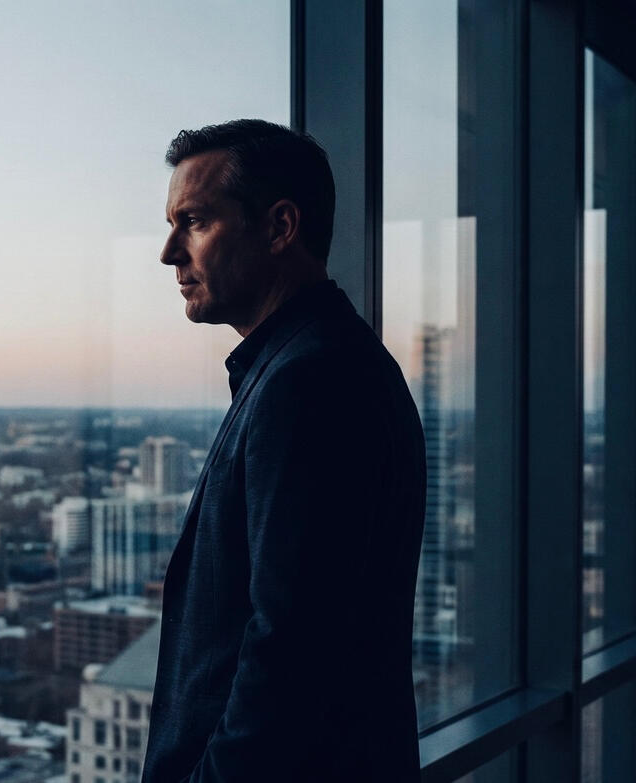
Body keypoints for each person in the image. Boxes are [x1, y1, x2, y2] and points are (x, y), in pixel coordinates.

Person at [142, 119, 427, 782]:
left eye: (193, 221)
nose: (167, 252)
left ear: (278, 228)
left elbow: (290, 656)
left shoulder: (311, 381)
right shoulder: (314, 364)